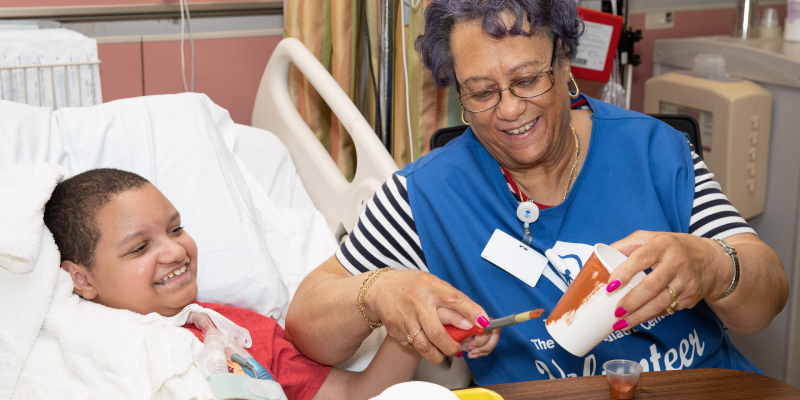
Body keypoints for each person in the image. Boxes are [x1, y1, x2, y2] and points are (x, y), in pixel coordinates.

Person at [284, 0, 790, 385]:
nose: (508, 110)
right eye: (481, 92)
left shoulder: (655, 152)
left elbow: (767, 297)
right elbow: (306, 319)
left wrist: (714, 265)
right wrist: (379, 292)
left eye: (527, 80)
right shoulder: (428, 197)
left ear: (565, 62)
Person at [42, 168, 422, 400]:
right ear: (81, 278)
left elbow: (355, 395)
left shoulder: (241, 334)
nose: (175, 250)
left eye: (176, 229)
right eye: (140, 247)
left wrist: (410, 325)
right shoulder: (65, 346)